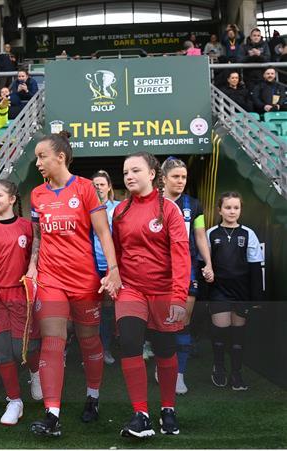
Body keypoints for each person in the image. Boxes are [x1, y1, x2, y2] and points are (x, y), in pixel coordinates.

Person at [26, 131, 121, 437]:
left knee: (89, 340)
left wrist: (114, 270)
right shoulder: (37, 194)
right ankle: (52, 414)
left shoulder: (85, 189)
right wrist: (32, 268)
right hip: (51, 278)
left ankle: (93, 397)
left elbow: (103, 233)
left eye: (42, 156)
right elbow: (38, 237)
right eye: (37, 157)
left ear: (60, 157)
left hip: (84, 279)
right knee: (53, 341)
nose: (37, 162)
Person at [112, 152, 190, 438]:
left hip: (164, 291)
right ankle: (141, 414)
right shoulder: (119, 211)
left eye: (135, 170)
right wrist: (113, 277)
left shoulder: (169, 210)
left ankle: (167, 409)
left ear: (152, 174)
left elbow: (181, 255)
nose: (129, 176)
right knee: (130, 343)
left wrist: (179, 297)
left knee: (165, 350)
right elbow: (117, 254)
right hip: (131, 290)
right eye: (125, 172)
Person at [0, 179, 42, 425]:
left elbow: (36, 261)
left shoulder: (26, 228)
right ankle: (14, 401)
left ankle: (36, 371)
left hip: (21, 295)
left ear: (12, 199)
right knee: (3, 352)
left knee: (23, 348)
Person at [161, 157, 214, 395]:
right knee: (161, 323)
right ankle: (163, 366)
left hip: (187, 267)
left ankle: (178, 374)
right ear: (163, 179)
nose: (181, 181)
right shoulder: (151, 203)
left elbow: (200, 235)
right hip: (159, 269)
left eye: (183, 177)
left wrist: (208, 263)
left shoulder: (194, 205)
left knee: (182, 321)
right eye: (176, 176)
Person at [206, 192, 264, 391]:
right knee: (221, 331)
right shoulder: (211, 233)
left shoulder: (248, 233)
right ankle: (219, 367)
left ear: (240, 210)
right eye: (228, 207)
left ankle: (236, 373)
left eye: (236, 208)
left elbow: (256, 267)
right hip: (219, 291)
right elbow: (204, 263)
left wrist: (256, 297)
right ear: (219, 210)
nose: (232, 211)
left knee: (238, 335)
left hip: (242, 292)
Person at [91, 170, 120, 366]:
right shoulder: (86, 208)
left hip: (112, 266)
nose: (98, 187)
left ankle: (106, 348)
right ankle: (92, 351)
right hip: (90, 266)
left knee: (109, 309)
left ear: (109, 187)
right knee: (92, 310)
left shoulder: (118, 208)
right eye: (95, 184)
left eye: (101, 184)